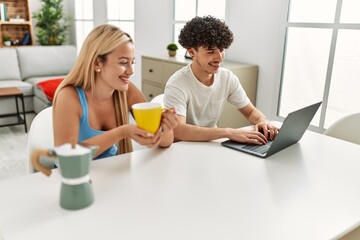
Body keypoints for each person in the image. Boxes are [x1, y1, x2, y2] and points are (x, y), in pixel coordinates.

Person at [53, 24, 177, 159]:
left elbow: (164, 142)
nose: (131, 71)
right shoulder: (69, 96)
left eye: (132, 62)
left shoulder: (126, 90)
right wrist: (121, 132)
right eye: (123, 62)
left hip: (111, 172)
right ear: (97, 63)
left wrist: (166, 128)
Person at [164, 16, 279, 145]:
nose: (219, 58)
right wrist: (228, 132)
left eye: (222, 50)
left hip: (212, 144)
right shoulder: (177, 83)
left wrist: (262, 121)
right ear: (191, 52)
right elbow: (178, 131)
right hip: (183, 148)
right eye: (210, 51)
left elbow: (251, 112)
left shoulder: (227, 78)